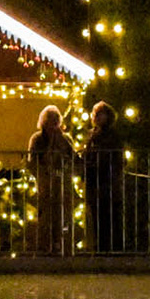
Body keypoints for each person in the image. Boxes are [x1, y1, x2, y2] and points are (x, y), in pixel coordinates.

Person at [26, 105, 76, 255]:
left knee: (62, 213)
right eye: (50, 120)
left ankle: (61, 243)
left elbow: (72, 157)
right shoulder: (37, 139)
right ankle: (45, 243)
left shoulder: (65, 139)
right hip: (45, 182)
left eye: (55, 119)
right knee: (45, 213)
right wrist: (41, 173)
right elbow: (32, 160)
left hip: (62, 181)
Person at [83, 101, 120, 253]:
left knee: (108, 214)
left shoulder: (111, 135)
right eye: (95, 114)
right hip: (94, 180)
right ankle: (99, 246)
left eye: (100, 114)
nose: (96, 117)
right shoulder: (92, 134)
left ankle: (109, 247)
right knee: (96, 215)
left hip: (107, 180)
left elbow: (113, 157)